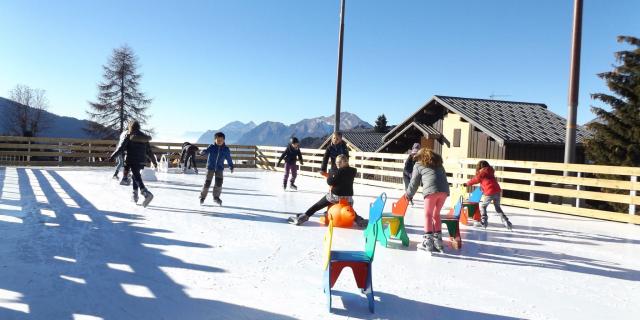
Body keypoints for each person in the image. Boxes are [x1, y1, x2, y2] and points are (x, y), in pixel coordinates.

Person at [289, 155, 367, 227]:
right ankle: (359, 220)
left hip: (335, 197)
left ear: (346, 162)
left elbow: (330, 182)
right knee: (350, 210)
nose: (338, 164)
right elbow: (344, 175)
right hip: (348, 199)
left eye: (340, 162)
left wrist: (331, 173)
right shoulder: (353, 170)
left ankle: (303, 217)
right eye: (337, 162)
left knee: (317, 206)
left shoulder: (339, 171)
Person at [405, 148, 450, 253]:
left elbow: (414, 182)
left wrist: (408, 194)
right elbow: (443, 178)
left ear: (420, 157)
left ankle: (428, 242)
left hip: (431, 191)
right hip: (444, 191)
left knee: (428, 215)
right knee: (436, 214)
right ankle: (438, 242)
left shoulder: (419, 165)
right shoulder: (439, 164)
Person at [110, 121, 158, 207]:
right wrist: (154, 162)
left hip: (131, 160)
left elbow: (121, 148)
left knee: (136, 175)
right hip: (142, 160)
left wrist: (112, 156)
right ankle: (135, 195)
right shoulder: (144, 137)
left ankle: (145, 193)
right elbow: (149, 151)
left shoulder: (128, 135)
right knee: (135, 175)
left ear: (130, 127)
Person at [464, 160, 512, 230]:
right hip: (497, 191)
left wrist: (466, 184)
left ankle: (484, 220)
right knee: (497, 207)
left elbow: (474, 180)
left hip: (489, 192)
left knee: (483, 206)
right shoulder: (491, 171)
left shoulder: (481, 174)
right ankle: (506, 221)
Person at [199, 132, 234, 206]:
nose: (219, 142)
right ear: (214, 140)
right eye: (217, 140)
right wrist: (203, 152)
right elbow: (206, 151)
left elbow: (229, 158)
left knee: (219, 183)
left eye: (221, 140)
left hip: (219, 168)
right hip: (210, 167)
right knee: (207, 182)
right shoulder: (211, 147)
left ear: (224, 140)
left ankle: (216, 197)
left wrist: (231, 166)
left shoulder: (226, 149)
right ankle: (202, 197)